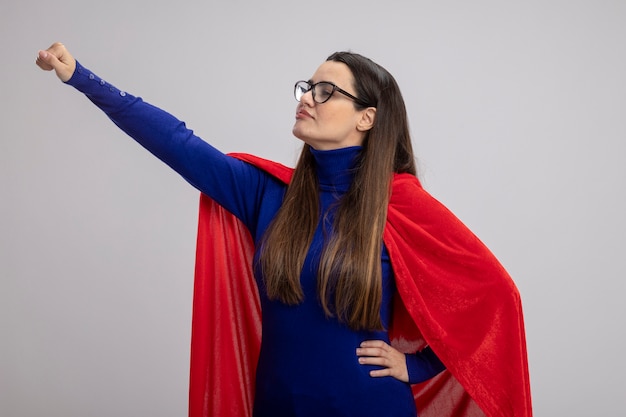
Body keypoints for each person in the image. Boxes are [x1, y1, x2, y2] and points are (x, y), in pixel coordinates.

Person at [36, 43, 532, 417]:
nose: (307, 98)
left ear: (367, 117)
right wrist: (82, 77)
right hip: (275, 404)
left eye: (325, 91)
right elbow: (176, 143)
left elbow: (494, 299)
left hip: (369, 406)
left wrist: (416, 365)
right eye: (306, 87)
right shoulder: (267, 192)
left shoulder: (399, 204)